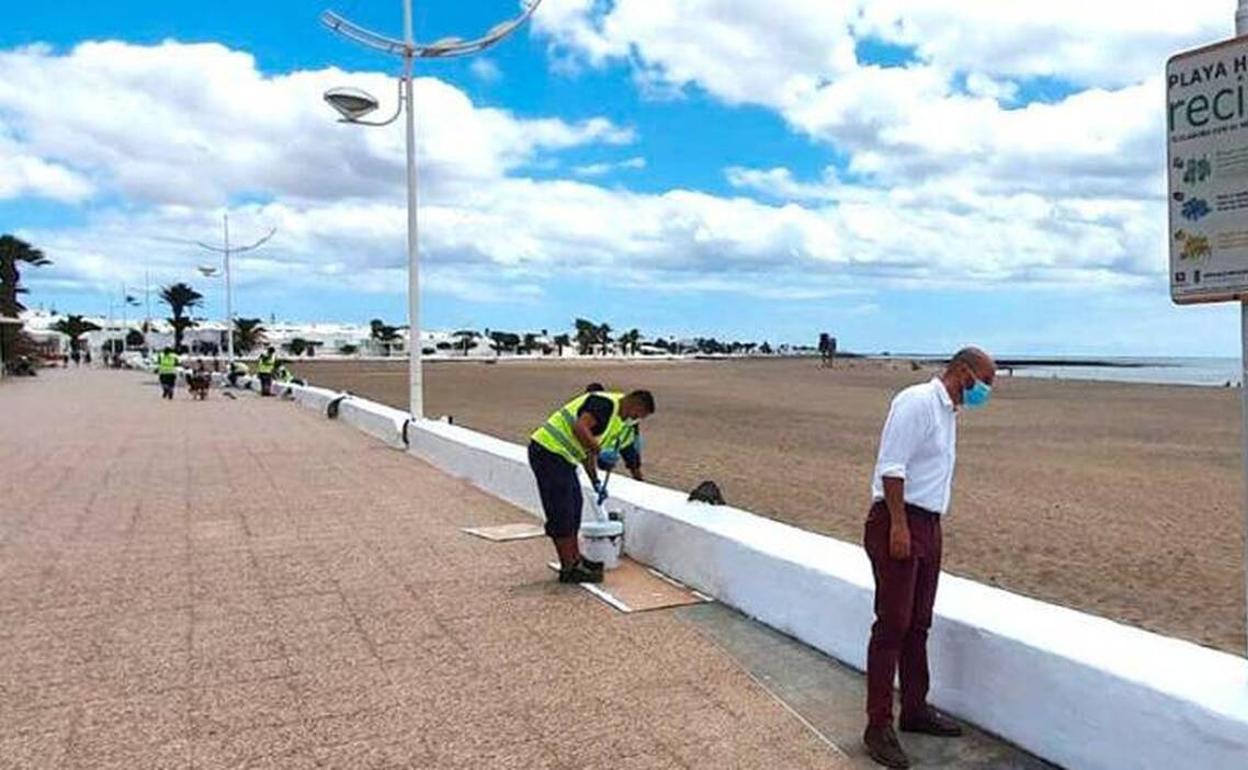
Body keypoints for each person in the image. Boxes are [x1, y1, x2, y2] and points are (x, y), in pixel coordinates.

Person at [861, 347, 997, 769]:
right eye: (984, 382)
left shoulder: (949, 413)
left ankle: (915, 709)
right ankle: (877, 725)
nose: (985, 392)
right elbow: (892, 466)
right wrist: (899, 525)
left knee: (918, 623)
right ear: (962, 371)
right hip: (899, 520)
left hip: (928, 523)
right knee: (893, 624)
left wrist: (927, 527)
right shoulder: (917, 402)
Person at [529, 388, 656, 583]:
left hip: (563, 458)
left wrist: (595, 481)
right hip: (548, 451)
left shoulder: (616, 421)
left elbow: (586, 451)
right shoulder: (605, 404)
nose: (635, 420)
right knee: (561, 511)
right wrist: (600, 451)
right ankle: (569, 567)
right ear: (634, 404)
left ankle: (575, 558)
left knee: (573, 507)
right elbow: (580, 429)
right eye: (638, 415)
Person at [585, 383, 646, 481]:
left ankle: (640, 482)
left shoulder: (613, 406)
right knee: (604, 465)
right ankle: (601, 481)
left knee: (634, 465)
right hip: (609, 444)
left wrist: (636, 438)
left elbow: (634, 423)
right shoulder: (594, 408)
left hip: (626, 442)